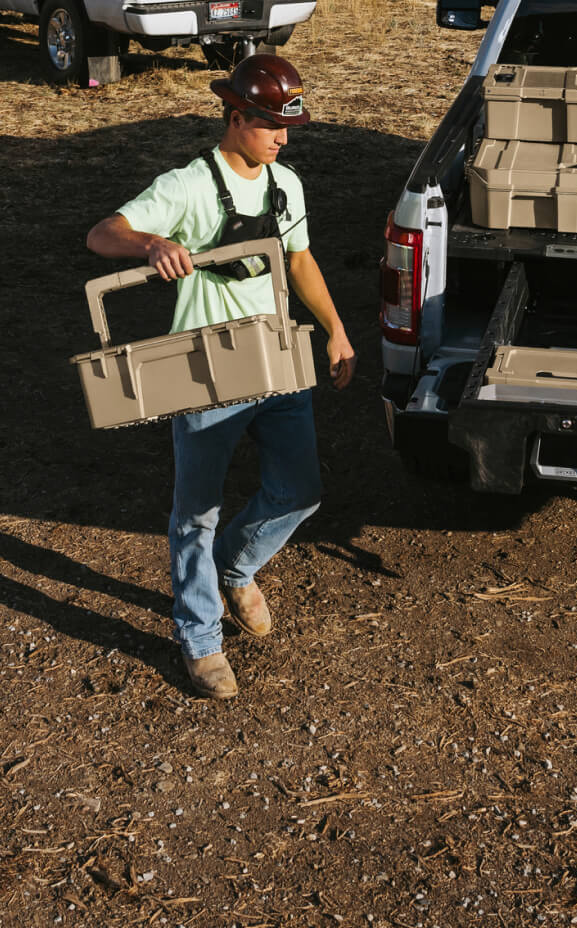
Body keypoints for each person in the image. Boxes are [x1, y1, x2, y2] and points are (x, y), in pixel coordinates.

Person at [86, 55, 355, 700]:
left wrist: (335, 330)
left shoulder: (285, 184)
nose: (282, 138)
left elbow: (299, 260)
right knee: (194, 514)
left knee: (300, 491)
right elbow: (102, 234)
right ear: (236, 119)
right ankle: (200, 639)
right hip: (205, 366)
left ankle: (237, 567)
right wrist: (151, 245)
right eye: (270, 125)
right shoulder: (186, 186)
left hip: (277, 359)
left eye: (288, 126)